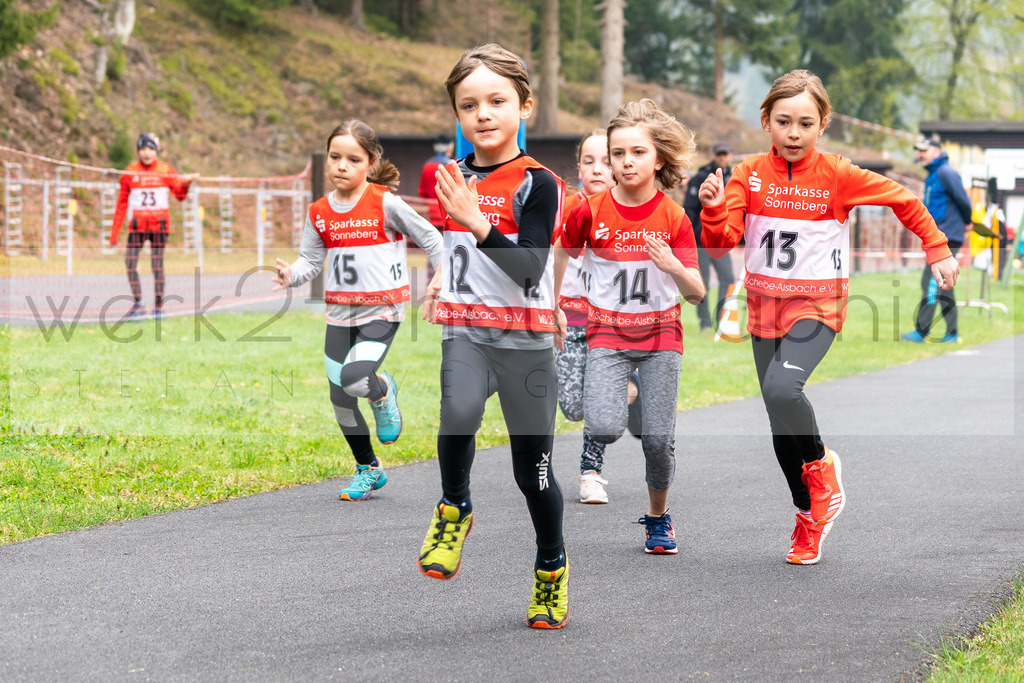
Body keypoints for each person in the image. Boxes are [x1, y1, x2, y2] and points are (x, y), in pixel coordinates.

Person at [698, 69, 959, 565]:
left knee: (781, 390)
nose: (793, 134)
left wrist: (937, 248)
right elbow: (720, 243)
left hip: (819, 306)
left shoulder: (838, 174)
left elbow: (904, 200)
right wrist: (712, 210)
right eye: (783, 122)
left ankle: (821, 466)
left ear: (823, 125)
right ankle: (808, 518)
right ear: (766, 122)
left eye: (804, 123)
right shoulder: (747, 174)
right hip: (764, 307)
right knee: (779, 428)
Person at [417, 43, 569, 630]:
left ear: (524, 106)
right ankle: (454, 506)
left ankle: (551, 567)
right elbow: (454, 245)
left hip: (526, 342)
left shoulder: (539, 182)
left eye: (496, 101)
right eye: (468, 104)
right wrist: (437, 279)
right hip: (468, 332)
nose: (483, 113)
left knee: (533, 476)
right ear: (457, 114)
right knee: (456, 413)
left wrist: (479, 221)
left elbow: (530, 266)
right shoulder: (451, 177)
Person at [554, 99, 705, 556]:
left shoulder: (674, 217)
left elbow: (696, 293)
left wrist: (673, 265)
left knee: (658, 444)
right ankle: (627, 395)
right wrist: (551, 304)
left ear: (658, 158)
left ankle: (658, 518)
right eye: (618, 153)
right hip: (608, 336)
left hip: (661, 337)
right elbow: (563, 250)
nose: (625, 162)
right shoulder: (590, 210)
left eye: (636, 152)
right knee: (601, 426)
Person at [272, 120, 442, 502]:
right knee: (341, 401)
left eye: (352, 159)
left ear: (370, 162)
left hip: (383, 312)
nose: (341, 166)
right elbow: (309, 262)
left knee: (354, 378)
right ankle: (368, 468)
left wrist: (440, 280)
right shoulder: (319, 212)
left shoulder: (385, 202)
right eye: (335, 157)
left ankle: (383, 390)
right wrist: (290, 275)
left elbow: (432, 238)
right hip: (340, 315)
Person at [555, 129, 641, 505]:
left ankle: (591, 473)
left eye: (606, 161)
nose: (597, 169)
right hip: (569, 321)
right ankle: (632, 390)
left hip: (608, 326)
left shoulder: (627, 211)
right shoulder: (565, 208)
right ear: (579, 168)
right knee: (573, 407)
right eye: (588, 162)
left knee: (596, 400)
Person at [108, 133, 197, 321]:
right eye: (143, 149)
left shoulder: (165, 170)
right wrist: (114, 234)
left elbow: (180, 195)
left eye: (150, 149)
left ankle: (158, 306)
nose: (146, 153)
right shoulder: (130, 172)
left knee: (157, 265)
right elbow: (121, 204)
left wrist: (186, 185)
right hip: (137, 227)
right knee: (130, 262)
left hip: (159, 227)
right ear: (138, 151)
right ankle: (138, 303)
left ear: (156, 151)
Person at [900, 137, 972, 344]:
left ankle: (922, 332)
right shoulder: (934, 174)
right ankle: (952, 332)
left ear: (937, 151)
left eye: (924, 150)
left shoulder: (945, 172)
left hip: (947, 236)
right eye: (918, 151)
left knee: (932, 282)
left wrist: (967, 222)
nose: (919, 154)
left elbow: (963, 200)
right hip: (940, 236)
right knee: (944, 284)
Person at [684, 141, 737, 331]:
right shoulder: (700, 177)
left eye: (725, 154)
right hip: (700, 240)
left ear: (730, 155)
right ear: (713, 155)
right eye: (719, 154)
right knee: (702, 283)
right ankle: (705, 322)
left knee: (728, 278)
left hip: (722, 239)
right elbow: (689, 209)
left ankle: (722, 318)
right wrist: (694, 232)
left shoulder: (735, 177)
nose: (722, 157)